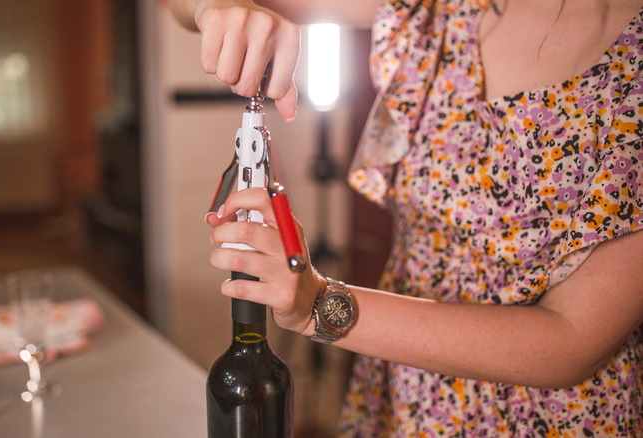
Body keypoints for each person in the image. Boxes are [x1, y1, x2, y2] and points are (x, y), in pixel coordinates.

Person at [168, 0, 643, 435]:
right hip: (405, 395)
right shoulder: (443, 7)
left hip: (546, 419)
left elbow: (572, 341)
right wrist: (215, 7)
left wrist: (318, 304)